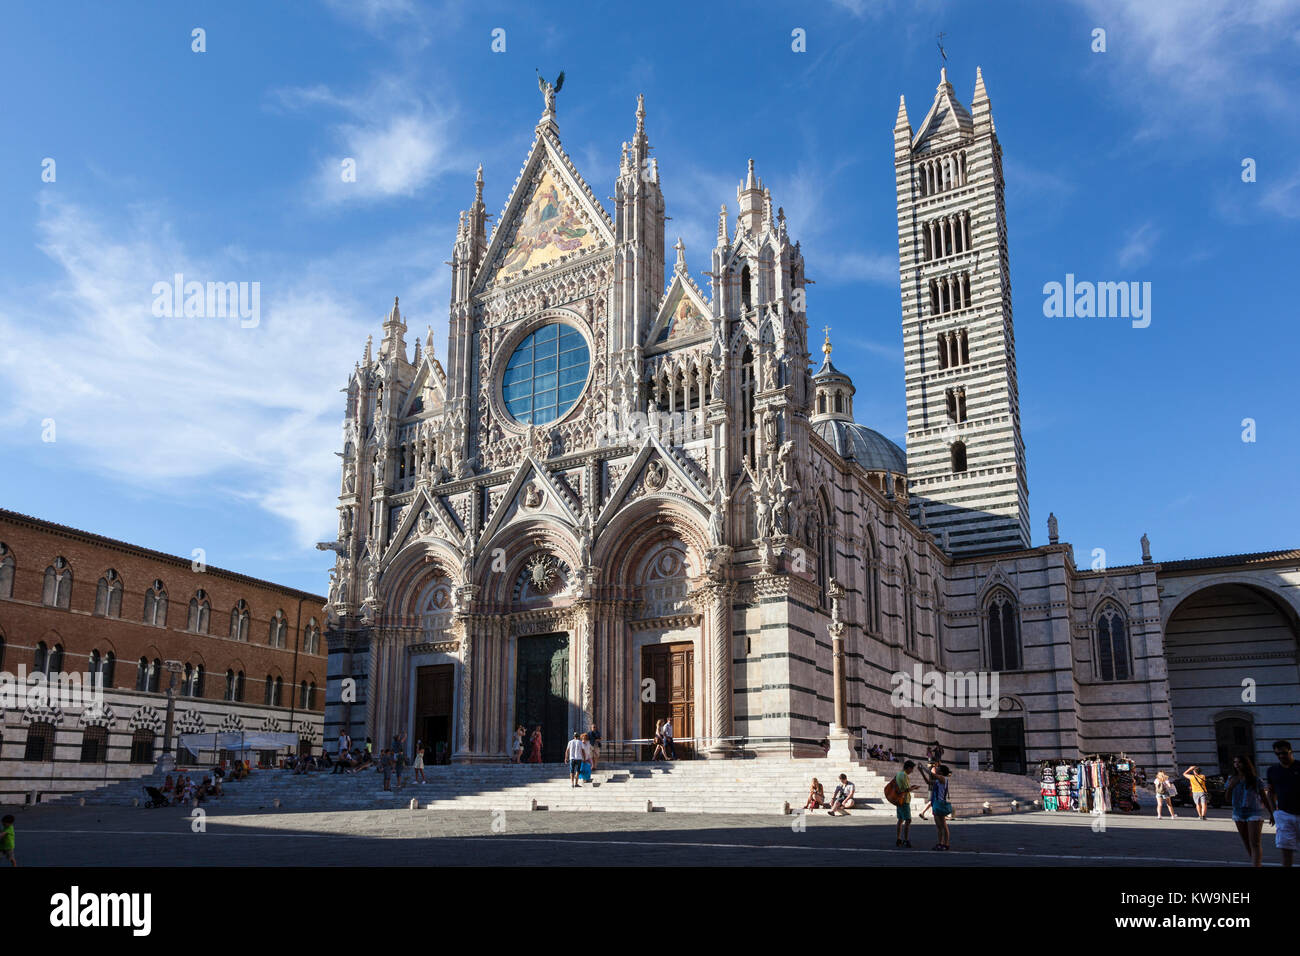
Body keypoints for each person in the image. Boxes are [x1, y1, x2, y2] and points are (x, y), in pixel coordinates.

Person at [1225, 754, 1273, 867]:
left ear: (1246, 764)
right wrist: (1230, 787)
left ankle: (1256, 864)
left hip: (1254, 813)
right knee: (1247, 843)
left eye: (1239, 762)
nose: (1237, 765)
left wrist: (1272, 813)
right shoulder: (1231, 779)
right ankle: (1256, 863)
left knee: (1255, 843)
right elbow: (1227, 799)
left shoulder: (1255, 780)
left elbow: (1264, 798)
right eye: (1235, 762)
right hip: (1238, 813)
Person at [1265, 739, 1298, 867]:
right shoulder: (1272, 770)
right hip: (1284, 814)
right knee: (1286, 851)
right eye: (1277, 754)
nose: (1281, 756)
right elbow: (1270, 792)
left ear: (1290, 751)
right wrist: (1273, 812)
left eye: (1284, 753)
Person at [917, 762, 952, 850]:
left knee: (941, 826)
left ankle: (944, 844)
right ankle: (942, 843)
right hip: (937, 803)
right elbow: (928, 782)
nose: (937, 769)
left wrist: (923, 768)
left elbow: (931, 774)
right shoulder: (939, 779)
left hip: (938, 803)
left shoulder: (942, 778)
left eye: (939, 769)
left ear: (941, 772)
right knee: (941, 826)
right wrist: (921, 772)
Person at [894, 760, 917, 847]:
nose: (912, 771)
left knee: (900, 820)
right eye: (912, 769)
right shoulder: (904, 775)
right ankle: (906, 840)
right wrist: (914, 787)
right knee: (908, 820)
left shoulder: (898, 774)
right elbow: (906, 790)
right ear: (908, 768)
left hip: (898, 800)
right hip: (904, 800)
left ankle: (898, 839)